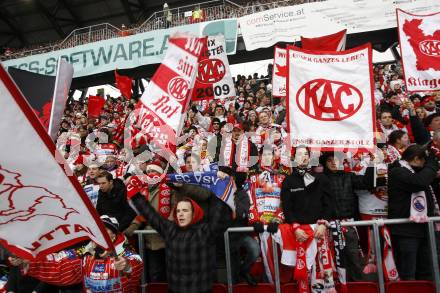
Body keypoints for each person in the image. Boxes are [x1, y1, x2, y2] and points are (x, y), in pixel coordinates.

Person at [127, 177, 232, 293]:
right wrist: (135, 194)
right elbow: (149, 213)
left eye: (185, 211)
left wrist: (223, 187)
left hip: (201, 290)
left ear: (194, 213)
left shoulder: (206, 231)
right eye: (178, 211)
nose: (181, 214)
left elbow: (220, 215)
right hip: (175, 290)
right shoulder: (170, 229)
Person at [9, 216, 143, 293]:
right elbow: (60, 265)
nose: (99, 233)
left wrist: (125, 266)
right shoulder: (85, 252)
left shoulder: (125, 251)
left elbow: (135, 266)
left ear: (114, 234)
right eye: (97, 229)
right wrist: (28, 260)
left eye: (105, 229)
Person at [388, 144, 438, 280]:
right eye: (424, 161)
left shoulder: (415, 171)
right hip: (406, 231)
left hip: (423, 229)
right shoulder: (397, 171)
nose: (425, 165)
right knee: (408, 273)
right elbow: (419, 183)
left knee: (426, 273)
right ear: (416, 159)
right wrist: (432, 164)